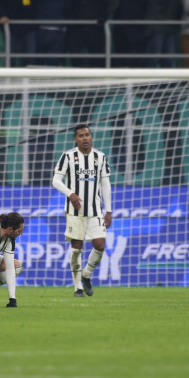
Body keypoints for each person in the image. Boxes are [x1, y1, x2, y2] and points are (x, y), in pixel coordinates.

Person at [52, 124, 112, 297]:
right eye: (81, 135)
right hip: (74, 212)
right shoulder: (68, 156)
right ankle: (77, 286)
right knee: (76, 249)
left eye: (87, 135)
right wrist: (70, 194)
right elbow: (56, 181)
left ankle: (86, 275)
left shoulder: (100, 157)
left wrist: (108, 210)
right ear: (75, 139)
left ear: (91, 136)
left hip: (95, 211)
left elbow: (105, 184)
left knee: (100, 245)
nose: (85, 138)